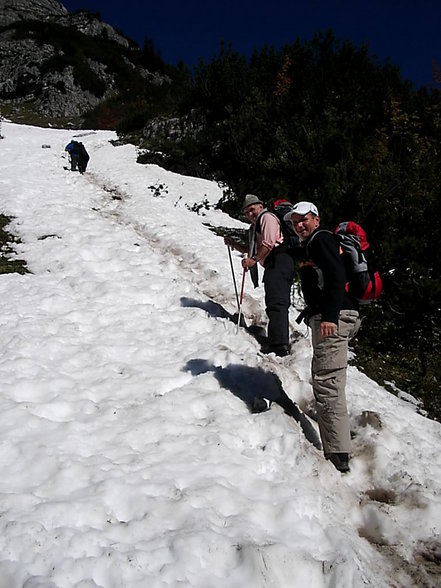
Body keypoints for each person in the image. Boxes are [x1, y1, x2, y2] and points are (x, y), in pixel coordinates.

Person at [285, 201, 361, 473]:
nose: (299, 225)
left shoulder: (321, 239)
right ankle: (338, 446)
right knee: (329, 379)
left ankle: (338, 456)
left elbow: (336, 274)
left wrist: (329, 315)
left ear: (316, 218)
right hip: (339, 315)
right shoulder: (315, 243)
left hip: (334, 318)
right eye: (295, 222)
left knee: (327, 383)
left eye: (303, 219)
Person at [225, 193, 295, 356]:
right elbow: (254, 249)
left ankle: (279, 346)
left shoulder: (267, 218)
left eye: (252, 209)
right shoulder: (257, 225)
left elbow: (268, 243)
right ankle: (278, 341)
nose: (250, 214)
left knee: (277, 301)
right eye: (247, 212)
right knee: (275, 300)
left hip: (279, 260)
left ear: (260, 206)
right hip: (276, 262)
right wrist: (234, 244)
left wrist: (254, 260)